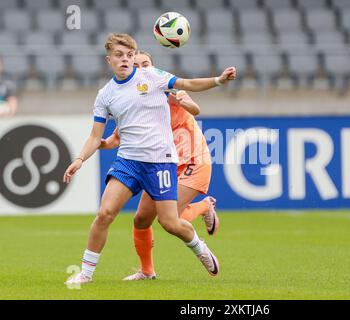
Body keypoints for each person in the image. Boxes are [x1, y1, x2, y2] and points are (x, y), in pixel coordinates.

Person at [64, 33, 236, 284]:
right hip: (128, 162)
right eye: (119, 56)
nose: (125, 60)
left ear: (134, 57)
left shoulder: (153, 77)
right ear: (109, 59)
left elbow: (188, 84)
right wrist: (79, 159)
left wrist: (219, 80)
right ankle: (86, 273)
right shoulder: (105, 95)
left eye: (129, 55)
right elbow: (95, 136)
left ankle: (199, 248)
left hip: (160, 162)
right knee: (105, 214)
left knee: (170, 223)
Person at [100, 50, 219, 280]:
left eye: (146, 64)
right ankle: (147, 271)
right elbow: (117, 137)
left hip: (193, 161)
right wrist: (100, 143)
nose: (142, 69)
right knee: (141, 219)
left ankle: (204, 209)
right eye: (137, 66)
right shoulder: (135, 100)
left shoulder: (170, 90)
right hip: (162, 164)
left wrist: (186, 101)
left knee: (171, 219)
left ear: (154, 67)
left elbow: (196, 110)